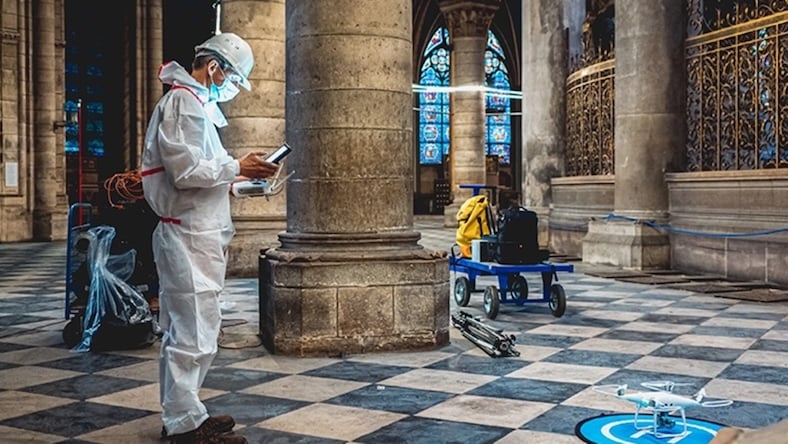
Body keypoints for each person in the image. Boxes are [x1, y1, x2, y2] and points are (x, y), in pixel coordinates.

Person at [141, 32, 279, 444]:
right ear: (214, 67)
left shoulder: (196, 104)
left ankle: (187, 412)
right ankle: (183, 427)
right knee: (192, 334)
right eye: (233, 78)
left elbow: (204, 174)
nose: (233, 87)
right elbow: (185, 173)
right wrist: (238, 165)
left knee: (195, 329)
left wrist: (239, 184)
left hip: (196, 234)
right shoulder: (183, 103)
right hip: (186, 237)